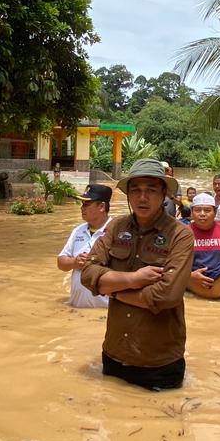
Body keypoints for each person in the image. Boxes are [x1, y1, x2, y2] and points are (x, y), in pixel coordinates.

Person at [81, 158, 193, 390]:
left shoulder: (180, 236)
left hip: (158, 363)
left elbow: (166, 295)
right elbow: (89, 273)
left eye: (151, 190)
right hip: (113, 354)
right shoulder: (116, 227)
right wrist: (133, 279)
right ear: (129, 195)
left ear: (164, 194)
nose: (143, 197)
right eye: (136, 190)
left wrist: (115, 292)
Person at [57, 184, 113, 309]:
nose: (82, 208)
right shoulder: (78, 231)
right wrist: (74, 262)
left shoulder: (116, 231)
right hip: (77, 309)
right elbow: (60, 262)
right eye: (82, 204)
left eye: (87, 204)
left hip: (105, 311)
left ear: (102, 207)